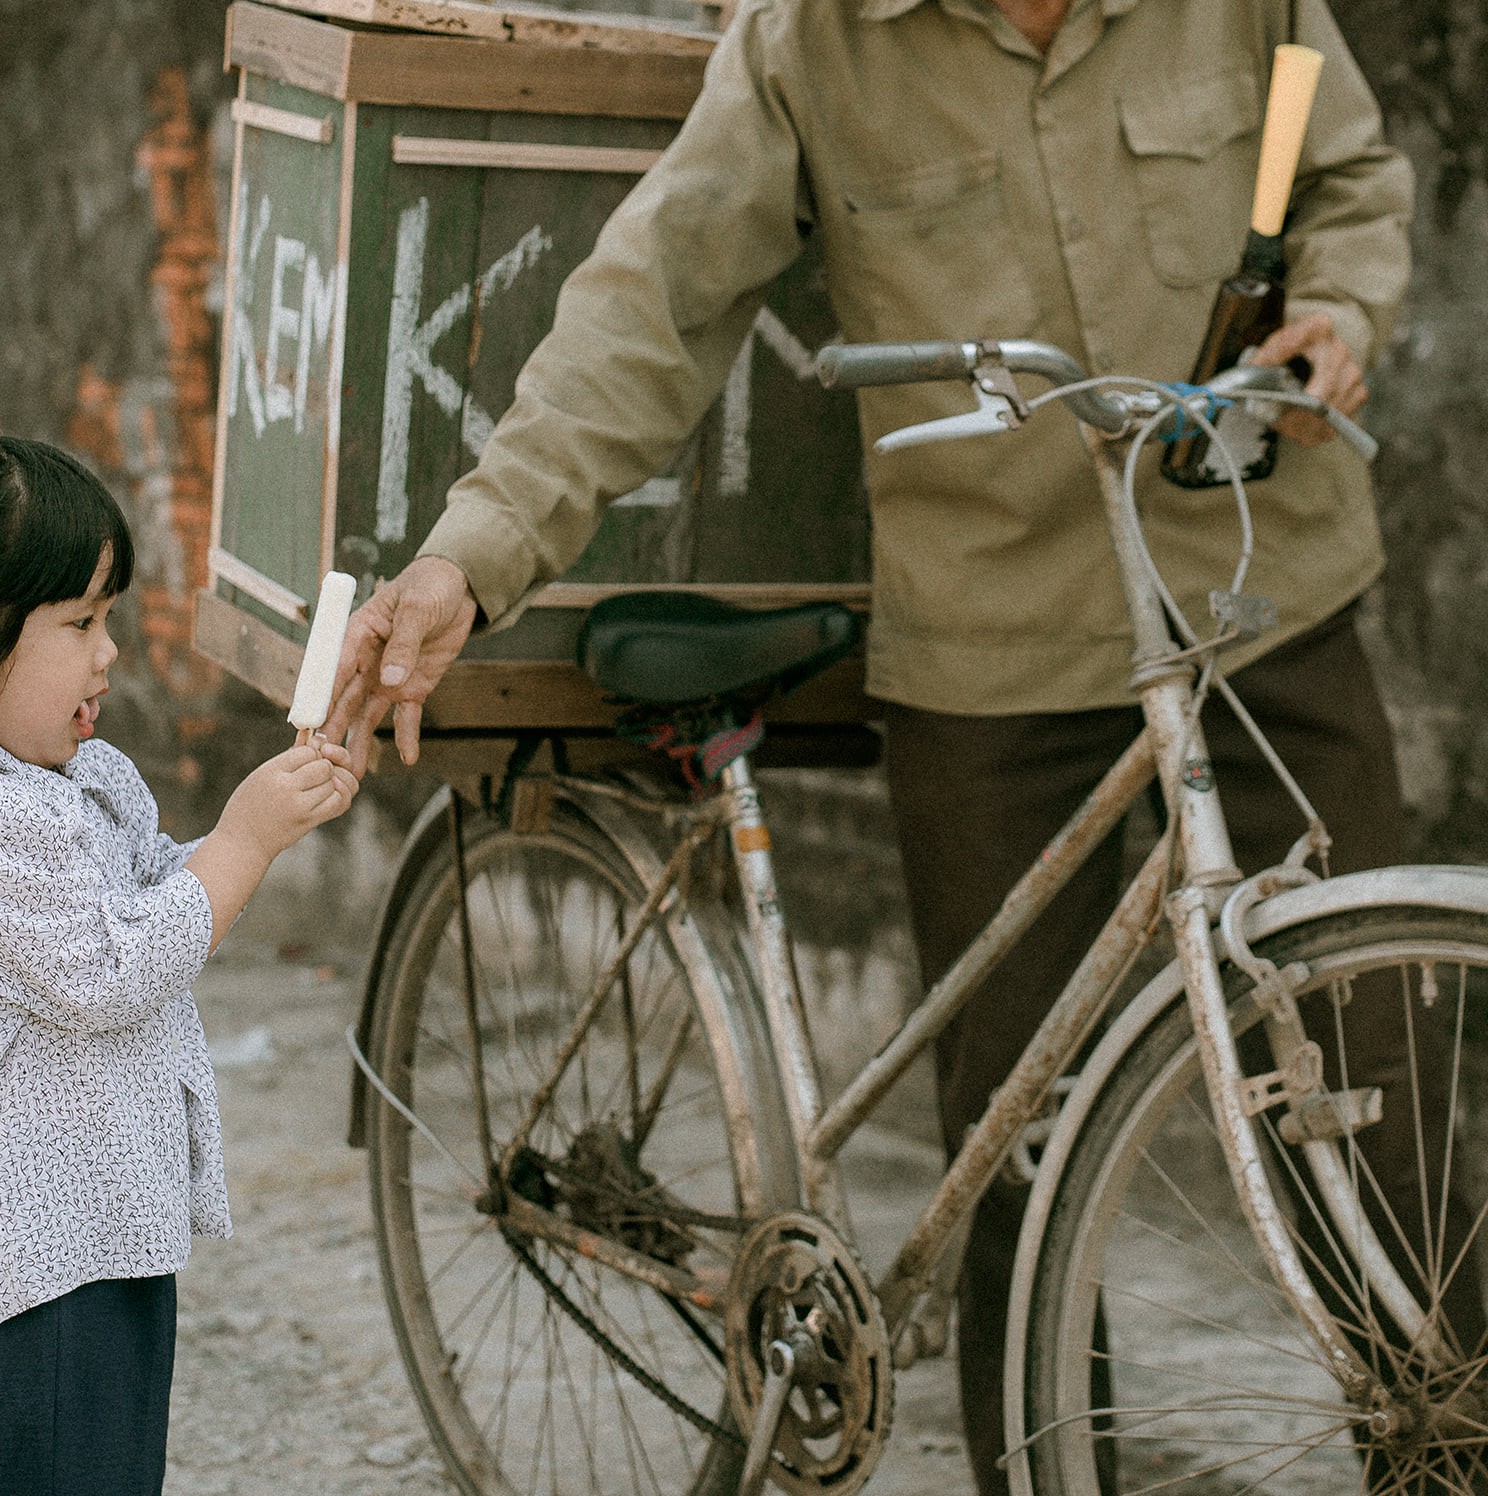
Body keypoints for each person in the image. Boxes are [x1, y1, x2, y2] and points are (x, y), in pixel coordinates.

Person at [321, 0, 1473, 1490]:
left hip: (1270, 595)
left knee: (1380, 1081)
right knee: (1018, 1154)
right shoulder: (812, 37)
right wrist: (470, 560)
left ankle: (1444, 1453)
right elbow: (652, 304)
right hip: (992, 658)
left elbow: (1349, 174)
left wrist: (1341, 310)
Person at [0, 431, 357, 1496]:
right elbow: (110, 971)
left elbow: (153, 902)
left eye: (108, 620)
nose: (108, 654)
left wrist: (260, 823)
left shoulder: (66, 776)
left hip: (97, 1225)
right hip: (24, 1263)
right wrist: (241, 841)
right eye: (81, 622)